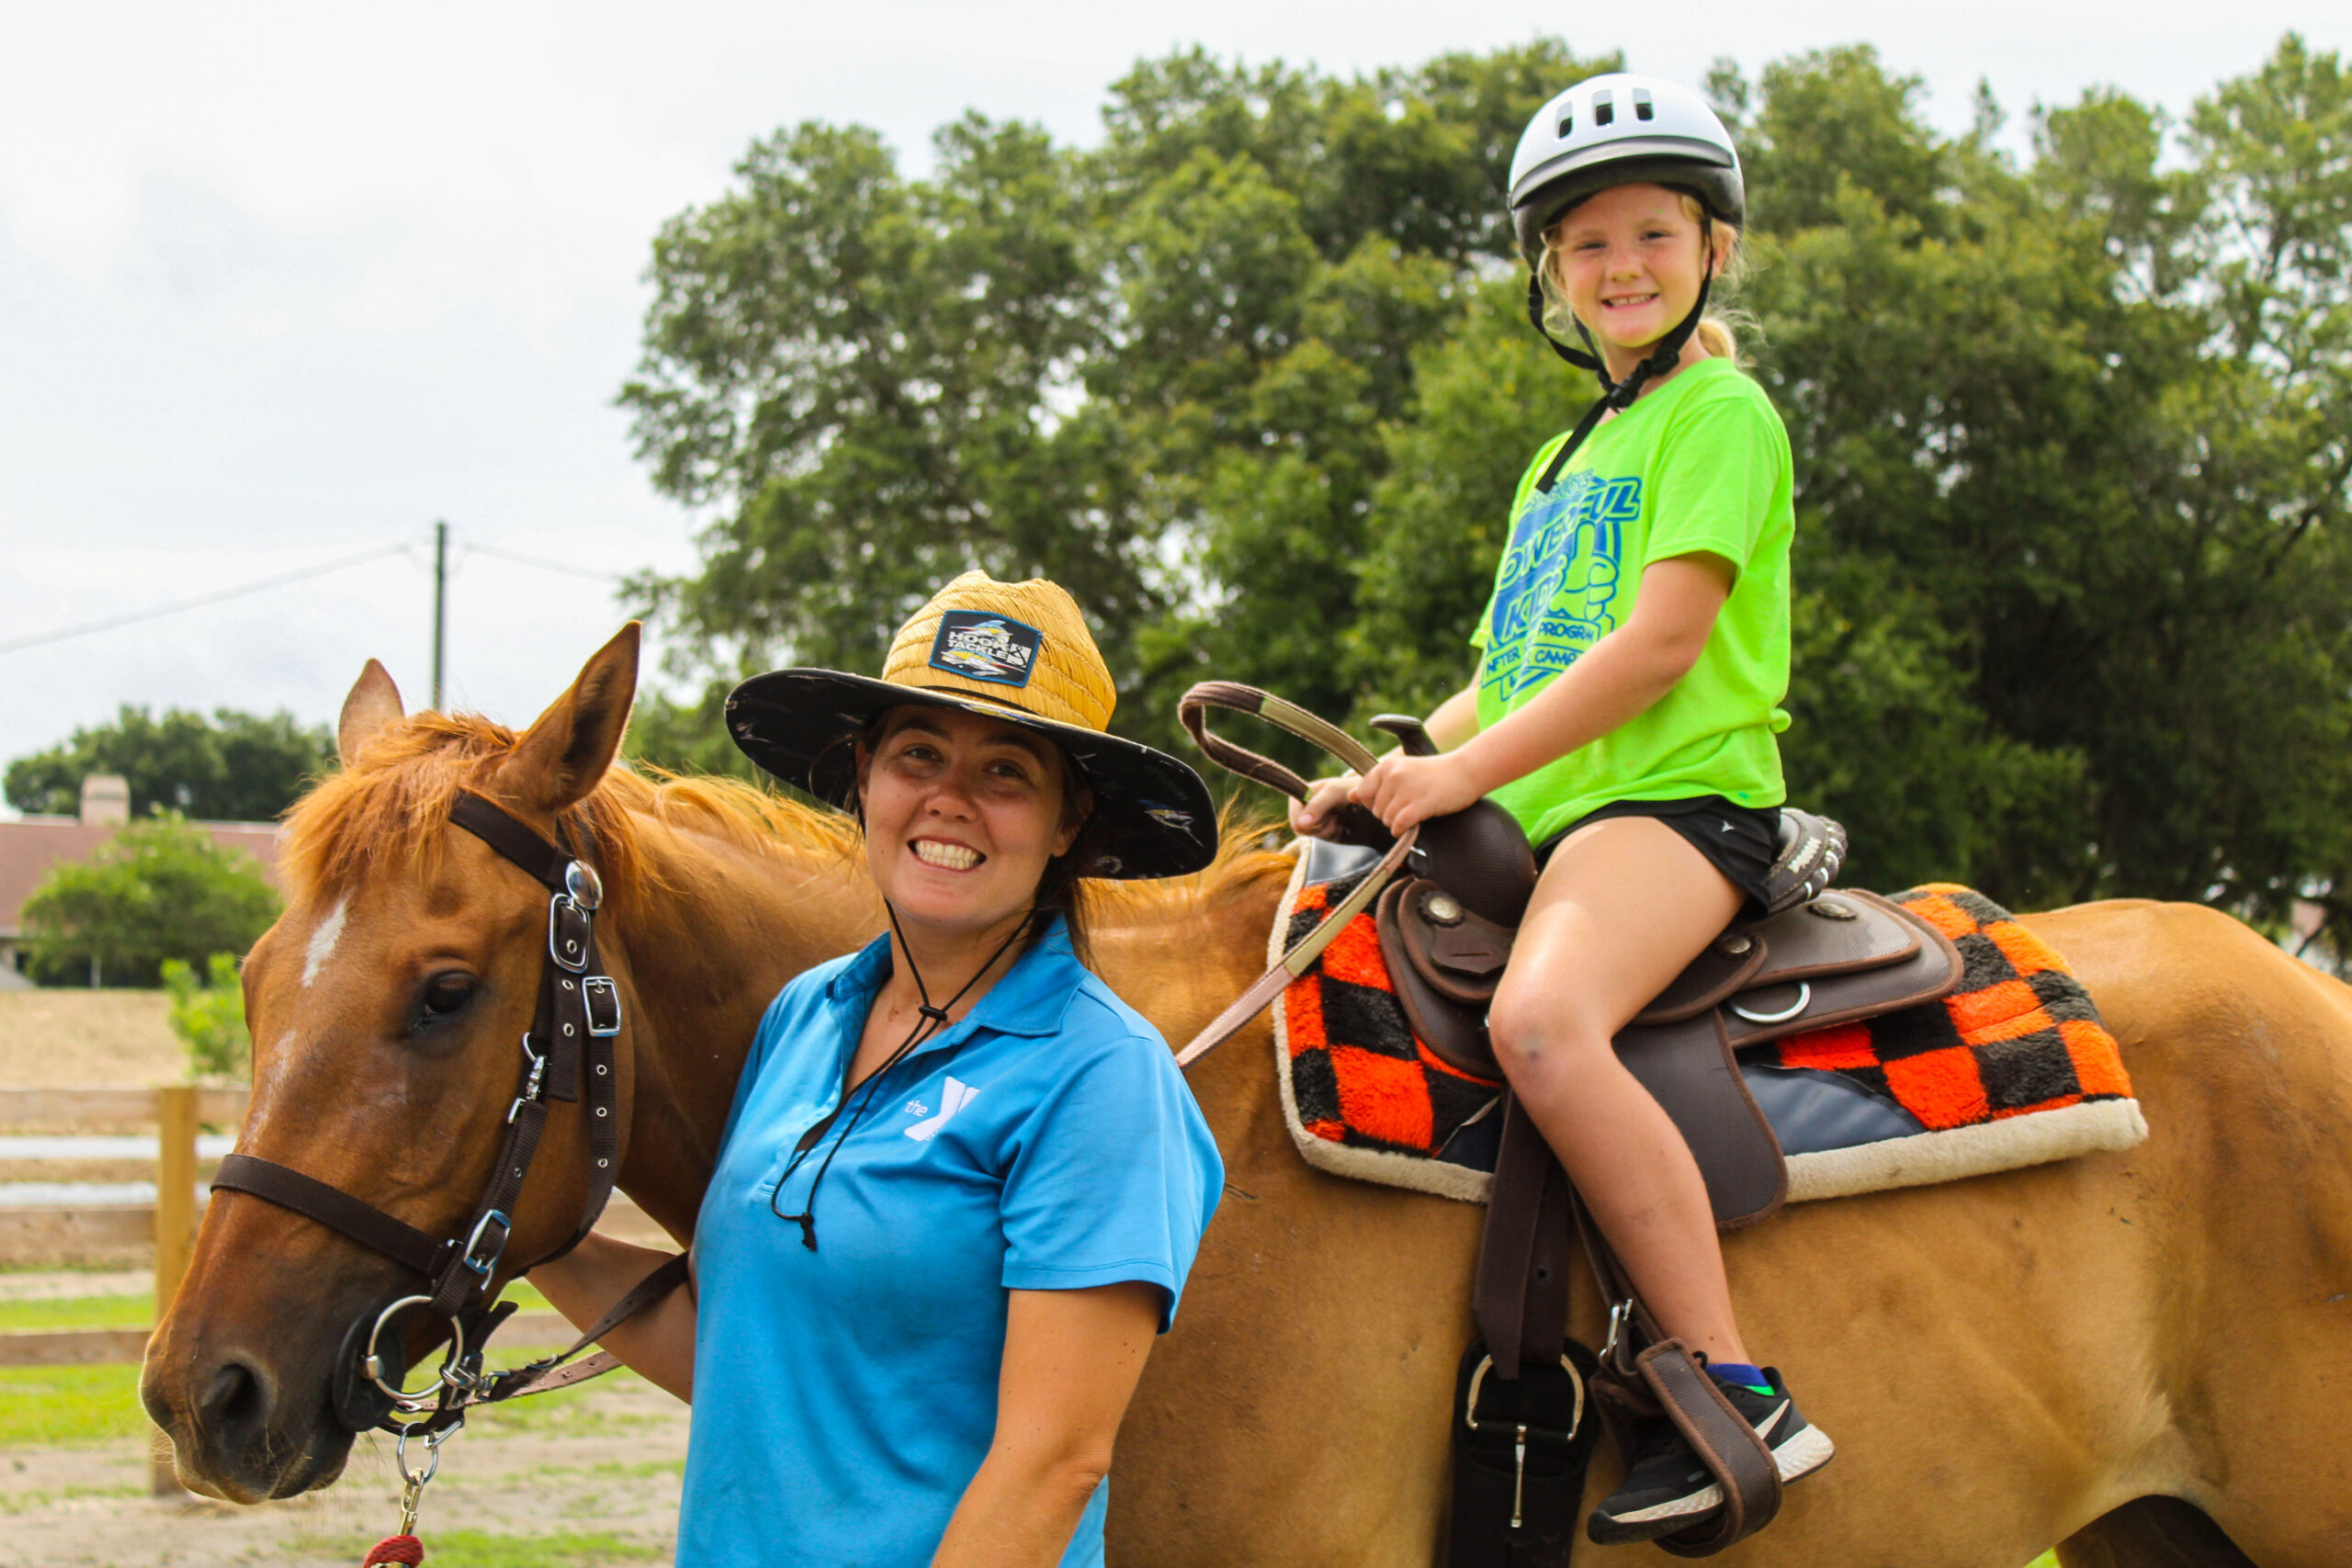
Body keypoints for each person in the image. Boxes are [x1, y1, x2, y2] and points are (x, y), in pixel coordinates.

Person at [1289, 73, 1833, 1544]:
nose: (1622, 267)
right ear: (1551, 276)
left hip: (1677, 806)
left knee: (1541, 1022)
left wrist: (1465, 776)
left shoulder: (1721, 412)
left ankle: (1736, 1385)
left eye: (1653, 234)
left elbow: (1658, 644)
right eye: (1586, 245)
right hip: (1561, 817)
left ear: (1713, 248)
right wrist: (1384, 768)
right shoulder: (1557, 461)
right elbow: (1504, 675)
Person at [530, 571, 1226, 1568]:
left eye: (1006, 773)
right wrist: (537, 1238)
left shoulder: (1101, 1075)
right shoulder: (806, 1017)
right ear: (864, 777)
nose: (950, 800)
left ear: (1068, 824)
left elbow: (1054, 1460)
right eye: (918, 754)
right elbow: (747, 1360)